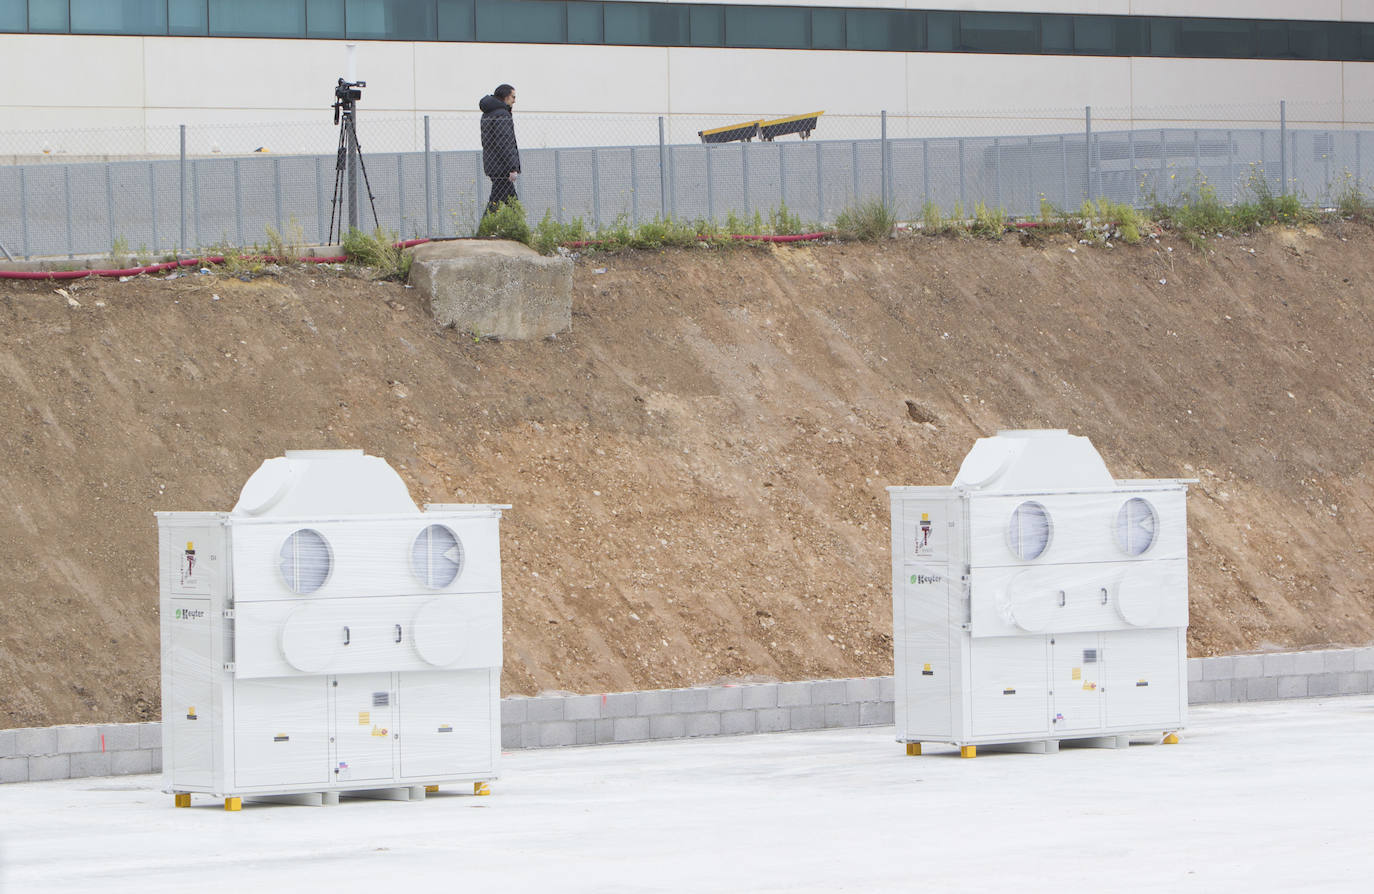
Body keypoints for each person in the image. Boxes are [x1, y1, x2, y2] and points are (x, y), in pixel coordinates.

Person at [479, 84, 521, 214]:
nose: (514, 100)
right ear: (506, 97)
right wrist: (512, 167)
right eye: (513, 97)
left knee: (502, 200)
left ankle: (515, 227)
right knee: (509, 203)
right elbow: (505, 142)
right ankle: (518, 229)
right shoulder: (502, 115)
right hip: (502, 167)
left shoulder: (489, 113)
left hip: (494, 165)